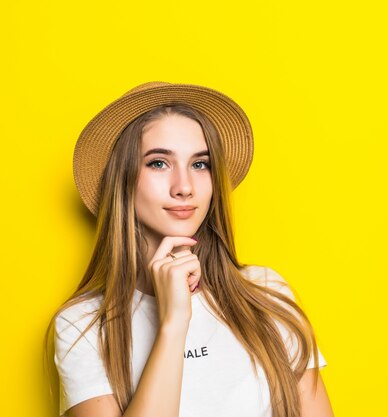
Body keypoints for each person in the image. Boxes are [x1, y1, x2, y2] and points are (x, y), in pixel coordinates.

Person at [44, 81, 334, 417]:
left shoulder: (264, 292)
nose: (184, 187)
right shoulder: (82, 326)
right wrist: (173, 322)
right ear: (121, 180)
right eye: (158, 163)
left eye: (200, 164)